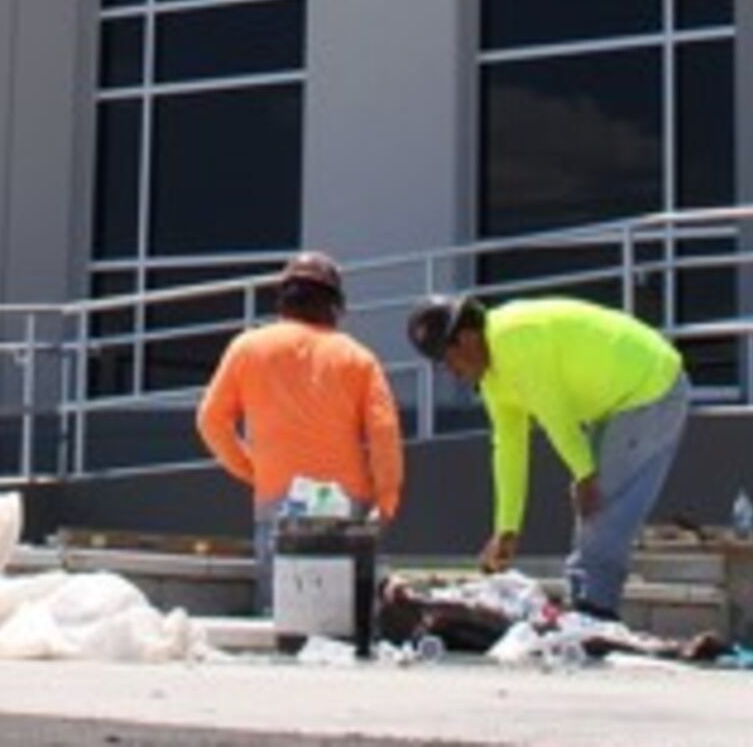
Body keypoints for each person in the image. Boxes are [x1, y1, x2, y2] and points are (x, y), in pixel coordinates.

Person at [407, 292, 692, 621]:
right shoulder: (494, 379)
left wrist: (584, 474)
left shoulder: (512, 338)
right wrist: (506, 530)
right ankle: (588, 604)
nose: (451, 372)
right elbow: (509, 448)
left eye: (447, 359)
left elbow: (553, 412)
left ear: (467, 338)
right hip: (617, 401)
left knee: (603, 503)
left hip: (649, 386)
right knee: (595, 508)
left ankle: (595, 610)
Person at [195, 251, 403, 566]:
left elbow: (211, 421)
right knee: (346, 604)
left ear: (284, 299)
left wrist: (251, 469)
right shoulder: (358, 358)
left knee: (280, 603)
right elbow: (384, 434)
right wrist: (386, 500)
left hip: (278, 498)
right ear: (334, 304)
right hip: (347, 503)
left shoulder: (248, 348)